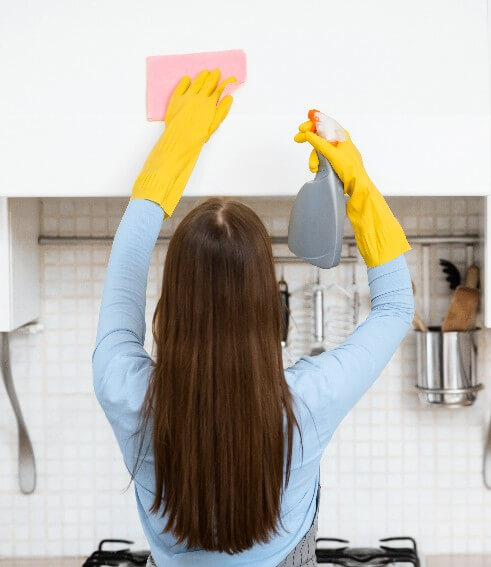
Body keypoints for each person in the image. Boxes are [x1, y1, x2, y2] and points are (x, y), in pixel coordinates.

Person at [91, 69, 414, 566]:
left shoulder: (125, 389)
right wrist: (356, 181)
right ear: (269, 306)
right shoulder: (308, 400)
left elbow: (128, 261)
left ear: (170, 303)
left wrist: (177, 143)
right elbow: (395, 307)